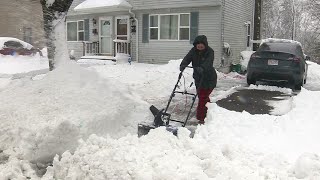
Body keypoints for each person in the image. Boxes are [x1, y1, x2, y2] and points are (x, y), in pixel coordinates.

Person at [180, 35, 217, 124]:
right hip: (198, 77)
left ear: (205, 44)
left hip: (209, 78)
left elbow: (209, 62)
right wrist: (183, 65)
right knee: (203, 97)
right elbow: (187, 58)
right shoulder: (193, 51)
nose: (200, 46)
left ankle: (201, 118)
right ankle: (209, 110)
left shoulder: (210, 51)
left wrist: (202, 68)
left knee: (202, 97)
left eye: (202, 44)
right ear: (195, 44)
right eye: (198, 44)